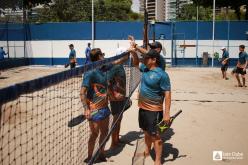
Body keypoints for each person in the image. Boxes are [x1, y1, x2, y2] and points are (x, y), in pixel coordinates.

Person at [80, 48, 130, 163]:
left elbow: (121, 60)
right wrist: (86, 109)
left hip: (104, 108)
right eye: (102, 54)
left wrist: (130, 50)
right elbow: (82, 92)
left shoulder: (104, 68)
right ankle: (89, 157)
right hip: (94, 109)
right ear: (99, 57)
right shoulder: (90, 72)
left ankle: (101, 154)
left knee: (104, 132)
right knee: (94, 134)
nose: (104, 55)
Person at [131, 49, 171, 165]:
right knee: (146, 132)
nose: (143, 59)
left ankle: (158, 160)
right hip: (142, 108)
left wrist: (167, 113)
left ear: (154, 60)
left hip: (154, 111)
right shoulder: (145, 69)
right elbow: (135, 63)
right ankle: (147, 151)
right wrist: (133, 52)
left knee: (156, 136)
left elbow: (167, 95)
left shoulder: (162, 75)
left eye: (146, 58)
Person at [107, 48, 128, 149]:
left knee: (119, 119)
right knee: (116, 120)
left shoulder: (120, 66)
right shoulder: (115, 67)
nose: (128, 56)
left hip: (121, 97)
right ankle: (112, 143)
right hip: (115, 98)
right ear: (121, 56)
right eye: (126, 54)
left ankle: (116, 139)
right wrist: (114, 94)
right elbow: (107, 82)